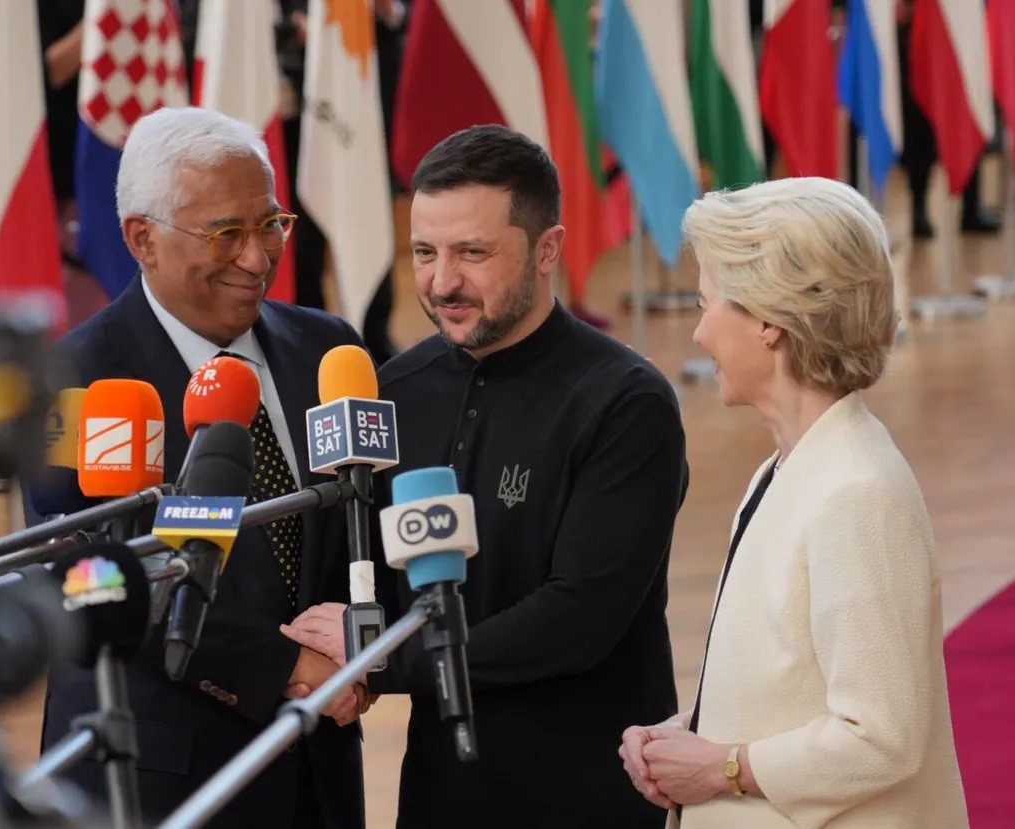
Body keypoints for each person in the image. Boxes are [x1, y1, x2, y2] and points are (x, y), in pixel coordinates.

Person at [282, 124, 689, 827]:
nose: (442, 282)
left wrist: (377, 658)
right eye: (424, 253)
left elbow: (578, 619)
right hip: (439, 796)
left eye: (472, 252)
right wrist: (339, 661)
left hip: (589, 797)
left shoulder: (627, 403)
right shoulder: (392, 390)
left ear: (547, 249)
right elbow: (364, 578)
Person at [37, 107, 368, 828]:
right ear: (142, 239)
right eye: (225, 234)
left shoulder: (329, 351)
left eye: (271, 224)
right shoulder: (76, 380)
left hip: (321, 774)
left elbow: (365, 521)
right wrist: (281, 668)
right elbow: (89, 576)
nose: (257, 259)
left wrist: (363, 646)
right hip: (161, 778)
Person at [620, 177, 969, 828]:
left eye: (706, 305)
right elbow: (793, 686)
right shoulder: (788, 467)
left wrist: (722, 766)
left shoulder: (858, 493)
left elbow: (881, 737)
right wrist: (692, 735)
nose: (697, 333)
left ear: (768, 320)